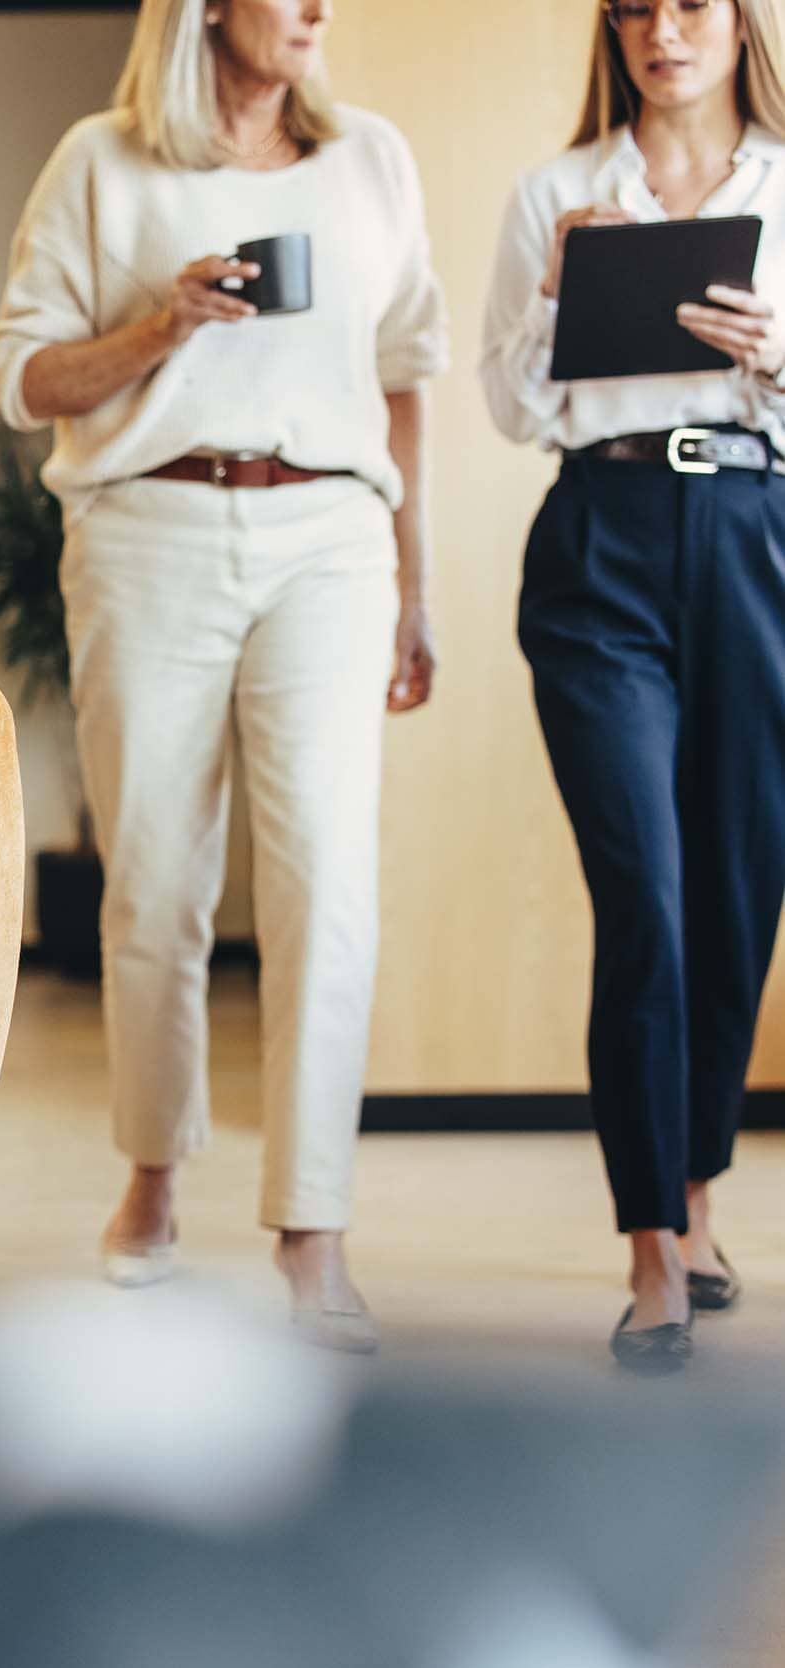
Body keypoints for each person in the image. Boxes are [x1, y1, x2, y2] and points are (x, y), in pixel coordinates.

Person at [0, 0, 446, 1352]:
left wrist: (417, 582)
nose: (316, 10)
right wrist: (163, 325)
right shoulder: (102, 160)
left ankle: (314, 1228)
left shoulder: (370, 159)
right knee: (154, 879)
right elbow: (22, 379)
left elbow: (406, 382)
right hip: (148, 529)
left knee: (328, 881)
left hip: (332, 534)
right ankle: (153, 1179)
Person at [482, 0, 785, 1375]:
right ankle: (654, 1245)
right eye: (635, 6)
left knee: (735, 890)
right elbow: (509, 405)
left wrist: (773, 356)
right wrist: (559, 287)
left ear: (741, 20)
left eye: (691, 3)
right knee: (646, 897)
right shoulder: (554, 192)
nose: (663, 29)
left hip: (756, 537)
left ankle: (700, 1191)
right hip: (598, 544)